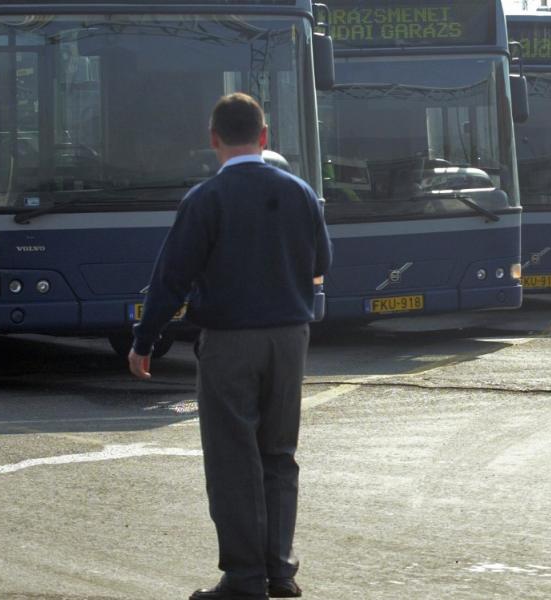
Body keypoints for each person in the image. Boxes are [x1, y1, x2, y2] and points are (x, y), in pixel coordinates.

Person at [129, 92, 332, 600]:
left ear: (213, 139)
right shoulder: (301, 192)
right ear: (265, 137)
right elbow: (322, 259)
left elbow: (170, 279)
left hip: (229, 340)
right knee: (279, 455)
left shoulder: (205, 200)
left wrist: (144, 341)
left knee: (232, 458)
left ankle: (243, 578)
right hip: (291, 337)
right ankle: (280, 572)